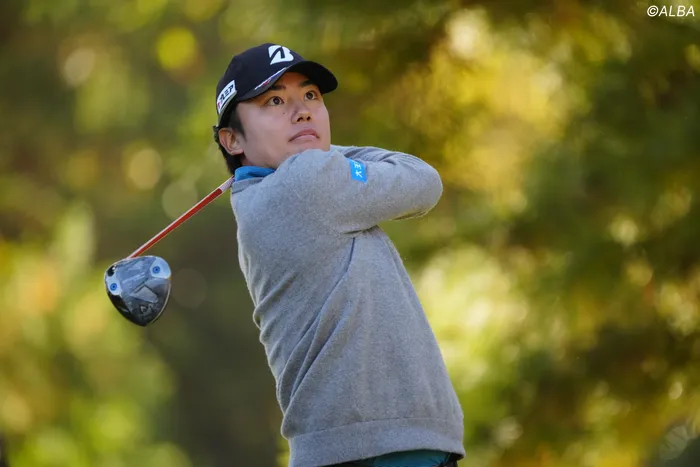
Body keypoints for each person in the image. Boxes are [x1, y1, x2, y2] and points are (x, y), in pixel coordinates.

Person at [212, 43, 465, 467]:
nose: (303, 112)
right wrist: (317, 151)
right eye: (275, 101)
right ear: (232, 139)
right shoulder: (305, 183)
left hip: (366, 448)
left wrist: (310, 150)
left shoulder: (265, 197)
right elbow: (424, 180)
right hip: (381, 452)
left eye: (310, 95)